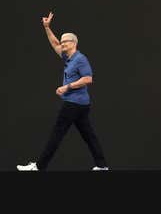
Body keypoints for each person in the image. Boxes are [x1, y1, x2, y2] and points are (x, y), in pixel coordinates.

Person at [17, 11, 109, 171]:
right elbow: (54, 43)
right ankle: (102, 166)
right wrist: (47, 27)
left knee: (56, 135)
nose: (62, 44)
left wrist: (67, 87)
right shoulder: (68, 57)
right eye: (62, 42)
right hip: (81, 105)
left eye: (64, 42)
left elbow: (88, 79)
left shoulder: (81, 59)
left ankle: (39, 166)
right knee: (89, 136)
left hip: (73, 104)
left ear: (73, 43)